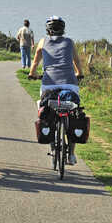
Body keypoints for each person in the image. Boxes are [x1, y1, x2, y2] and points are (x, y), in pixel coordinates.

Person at [28, 15, 84, 165]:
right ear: (63, 29)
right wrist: (79, 73)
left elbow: (35, 62)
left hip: (49, 84)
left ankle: (53, 147)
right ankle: (71, 154)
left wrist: (32, 74)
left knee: (45, 109)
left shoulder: (42, 41)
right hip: (70, 83)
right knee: (72, 115)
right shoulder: (69, 42)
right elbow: (76, 61)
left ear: (48, 30)